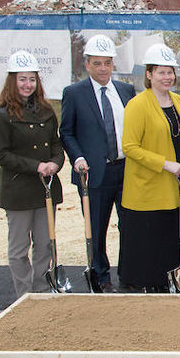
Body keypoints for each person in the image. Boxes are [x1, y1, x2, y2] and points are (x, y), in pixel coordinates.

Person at [59, 34, 135, 292]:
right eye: (97, 63)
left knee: (131, 226)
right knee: (97, 229)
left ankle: (129, 273)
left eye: (107, 63)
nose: (103, 68)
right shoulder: (74, 93)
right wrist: (77, 157)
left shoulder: (126, 91)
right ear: (87, 64)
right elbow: (66, 131)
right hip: (93, 175)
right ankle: (101, 277)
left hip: (126, 171)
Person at [118, 44, 180, 292]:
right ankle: (145, 288)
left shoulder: (178, 102)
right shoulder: (137, 105)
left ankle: (171, 283)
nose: (167, 77)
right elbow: (130, 147)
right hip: (145, 191)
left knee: (170, 242)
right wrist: (164, 164)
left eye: (170, 72)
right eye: (161, 72)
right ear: (149, 74)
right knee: (146, 247)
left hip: (172, 191)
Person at [0, 50, 65, 297]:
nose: (27, 85)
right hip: (19, 191)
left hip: (45, 189)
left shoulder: (46, 110)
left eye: (31, 79)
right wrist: (36, 167)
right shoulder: (2, 115)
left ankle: (42, 289)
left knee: (45, 244)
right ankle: (24, 293)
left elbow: (56, 144)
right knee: (19, 248)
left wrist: (55, 163)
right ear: (12, 81)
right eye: (22, 79)